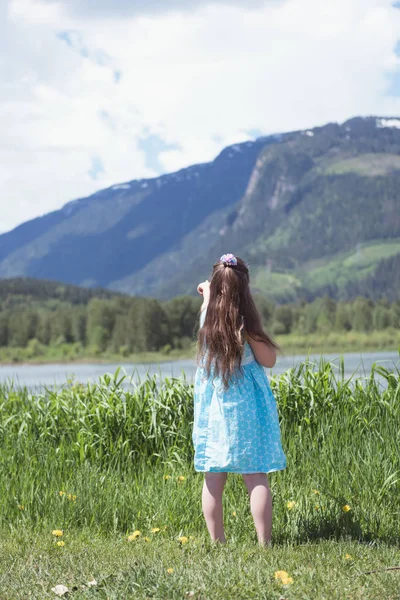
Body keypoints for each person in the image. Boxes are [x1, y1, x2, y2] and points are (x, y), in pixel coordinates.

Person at [192, 253, 286, 546]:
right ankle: (264, 543)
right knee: (255, 475)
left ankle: (217, 542)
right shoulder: (247, 325)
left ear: (216, 286)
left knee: (213, 479)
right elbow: (268, 361)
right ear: (245, 289)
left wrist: (207, 292)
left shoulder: (207, 319)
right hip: (245, 409)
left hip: (214, 410)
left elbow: (209, 299)